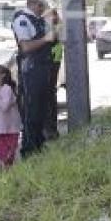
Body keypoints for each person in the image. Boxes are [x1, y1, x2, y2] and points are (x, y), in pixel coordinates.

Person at [11, 0, 59, 157]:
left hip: (44, 68)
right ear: (31, 3)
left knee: (42, 110)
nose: (42, 8)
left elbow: (55, 36)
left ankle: (39, 146)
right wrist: (46, 39)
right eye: (40, 4)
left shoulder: (39, 19)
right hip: (30, 70)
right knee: (31, 112)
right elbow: (26, 46)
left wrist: (53, 21)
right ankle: (29, 150)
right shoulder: (22, 19)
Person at [44, 8, 63, 140]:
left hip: (51, 62)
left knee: (48, 95)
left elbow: (52, 40)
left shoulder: (54, 28)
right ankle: (50, 128)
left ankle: (50, 129)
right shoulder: (55, 26)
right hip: (52, 61)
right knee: (50, 96)